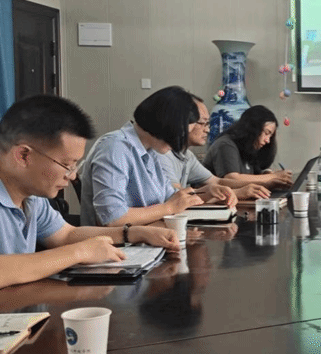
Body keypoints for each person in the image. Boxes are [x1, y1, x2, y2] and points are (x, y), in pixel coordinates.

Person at [0, 96, 179, 289]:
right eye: (66, 164)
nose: (72, 175)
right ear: (24, 155)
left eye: (75, 165)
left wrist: (135, 233)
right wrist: (78, 253)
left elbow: (66, 235)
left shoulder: (32, 196)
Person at [79, 86, 233, 227]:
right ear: (167, 124)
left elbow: (172, 197)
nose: (180, 144)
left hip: (148, 237)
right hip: (116, 245)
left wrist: (207, 193)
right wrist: (168, 208)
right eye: (181, 134)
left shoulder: (150, 151)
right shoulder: (115, 147)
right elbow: (113, 218)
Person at [158, 96, 271, 201]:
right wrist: (237, 192)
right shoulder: (162, 154)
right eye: (202, 123)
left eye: (208, 124)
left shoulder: (187, 155)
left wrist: (261, 185)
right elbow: (178, 197)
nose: (207, 130)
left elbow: (217, 181)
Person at [203, 105, 293, 188]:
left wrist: (266, 174)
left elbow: (251, 177)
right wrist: (273, 176)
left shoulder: (248, 148)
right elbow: (232, 178)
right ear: (253, 128)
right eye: (266, 133)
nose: (268, 140)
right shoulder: (225, 144)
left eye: (270, 136)